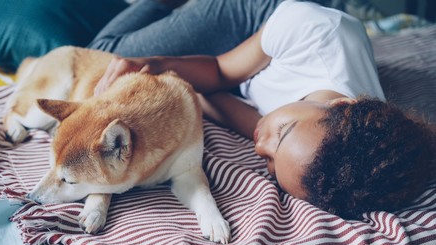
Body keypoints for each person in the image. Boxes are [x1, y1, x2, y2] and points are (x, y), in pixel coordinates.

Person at [90, 0, 436, 219]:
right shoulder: (313, 33)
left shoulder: (326, 148)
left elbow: (213, 98)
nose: (260, 145)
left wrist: (177, 88)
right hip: (257, 22)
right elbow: (219, 72)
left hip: (255, 71)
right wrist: (153, 63)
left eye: (269, 163)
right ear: (341, 105)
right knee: (105, 54)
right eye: (280, 135)